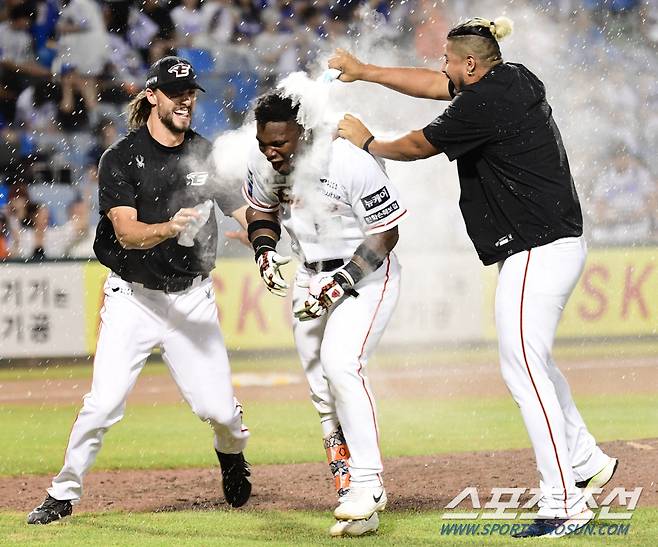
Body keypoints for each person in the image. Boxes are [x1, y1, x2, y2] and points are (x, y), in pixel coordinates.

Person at [329, 16, 618, 539]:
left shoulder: (483, 103)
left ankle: (564, 503)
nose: (440, 67)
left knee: (523, 371)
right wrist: (365, 71)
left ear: (469, 65)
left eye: (447, 59)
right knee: (536, 363)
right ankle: (586, 459)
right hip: (552, 246)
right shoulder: (514, 77)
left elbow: (418, 146)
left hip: (538, 250)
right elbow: (435, 86)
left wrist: (367, 142)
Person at [27, 56, 251, 525]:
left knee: (221, 413)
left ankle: (231, 457)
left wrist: (264, 236)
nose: (186, 99)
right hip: (134, 299)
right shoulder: (121, 157)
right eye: (176, 92)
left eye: (191, 92)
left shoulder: (206, 152)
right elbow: (127, 233)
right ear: (153, 96)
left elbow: (242, 209)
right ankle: (63, 493)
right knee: (103, 404)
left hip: (192, 297)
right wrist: (170, 227)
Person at [243, 91, 407, 537]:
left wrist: (342, 282)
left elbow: (385, 235)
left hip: (366, 277)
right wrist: (262, 250)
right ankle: (352, 496)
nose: (270, 152)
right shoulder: (266, 164)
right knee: (321, 393)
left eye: (280, 142)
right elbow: (260, 210)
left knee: (341, 365)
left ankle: (369, 484)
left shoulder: (349, 161)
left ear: (306, 131)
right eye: (264, 143)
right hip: (309, 277)